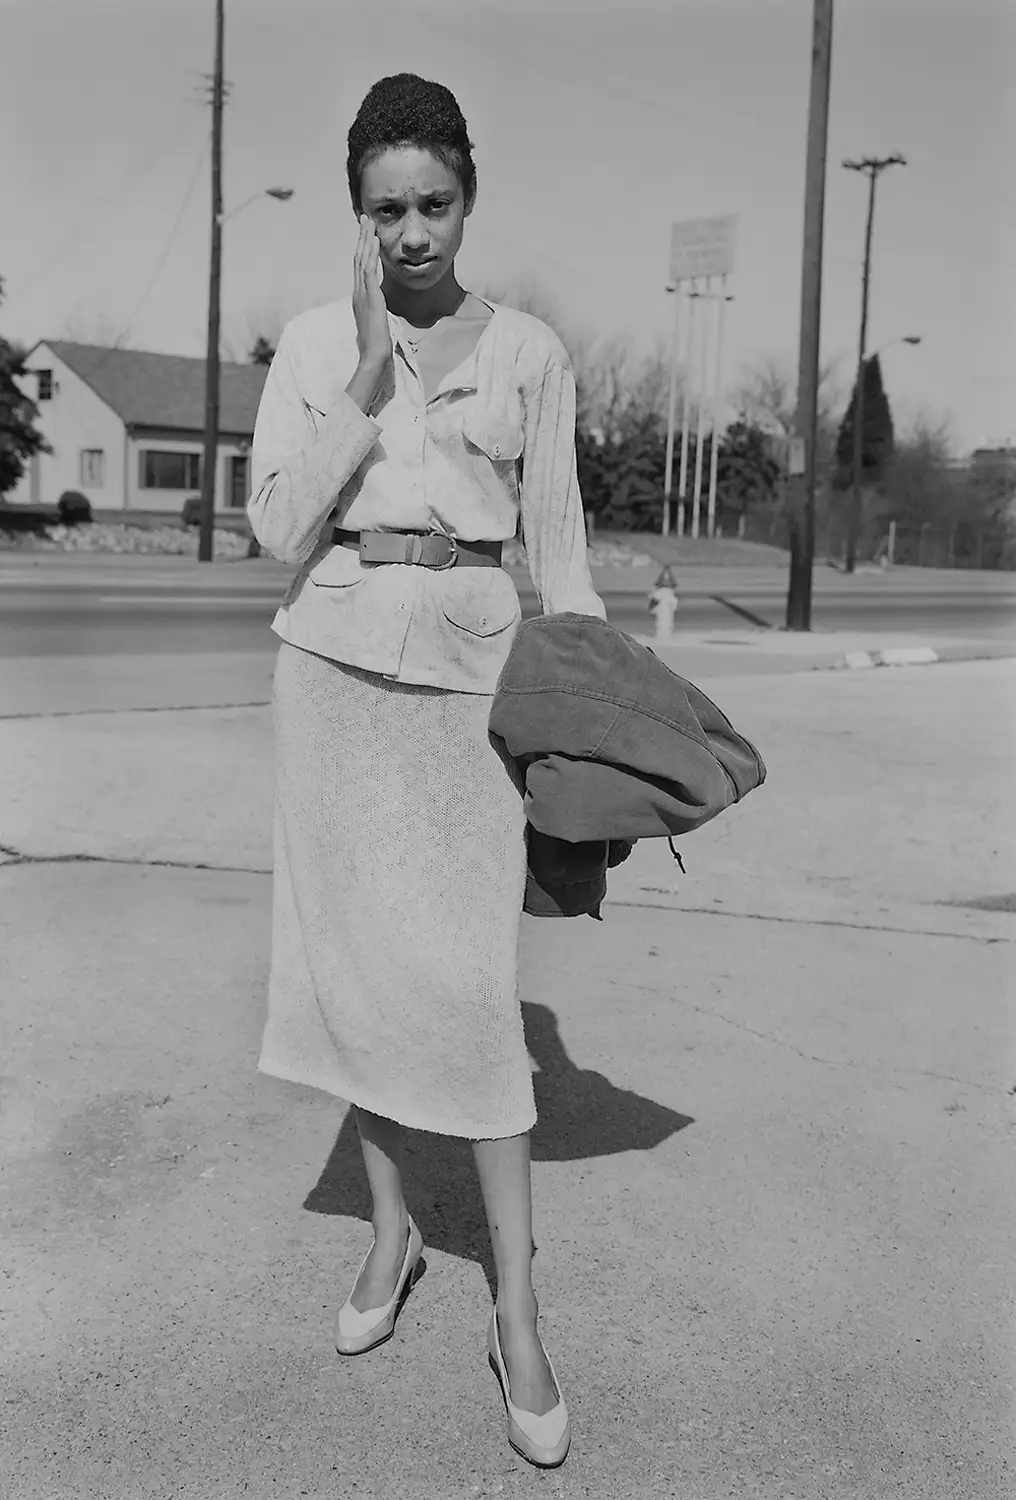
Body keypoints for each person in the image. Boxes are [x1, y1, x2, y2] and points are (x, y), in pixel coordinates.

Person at [247, 72, 605, 1469]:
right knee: (360, 976)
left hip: (469, 685)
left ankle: (516, 1302)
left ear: (470, 198)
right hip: (330, 674)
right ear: (357, 213)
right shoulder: (307, 347)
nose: (410, 233)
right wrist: (357, 373)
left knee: (465, 997)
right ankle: (393, 1237)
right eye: (385, 209)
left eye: (434, 204)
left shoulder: (531, 354)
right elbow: (279, 525)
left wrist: (587, 735)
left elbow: (562, 559)